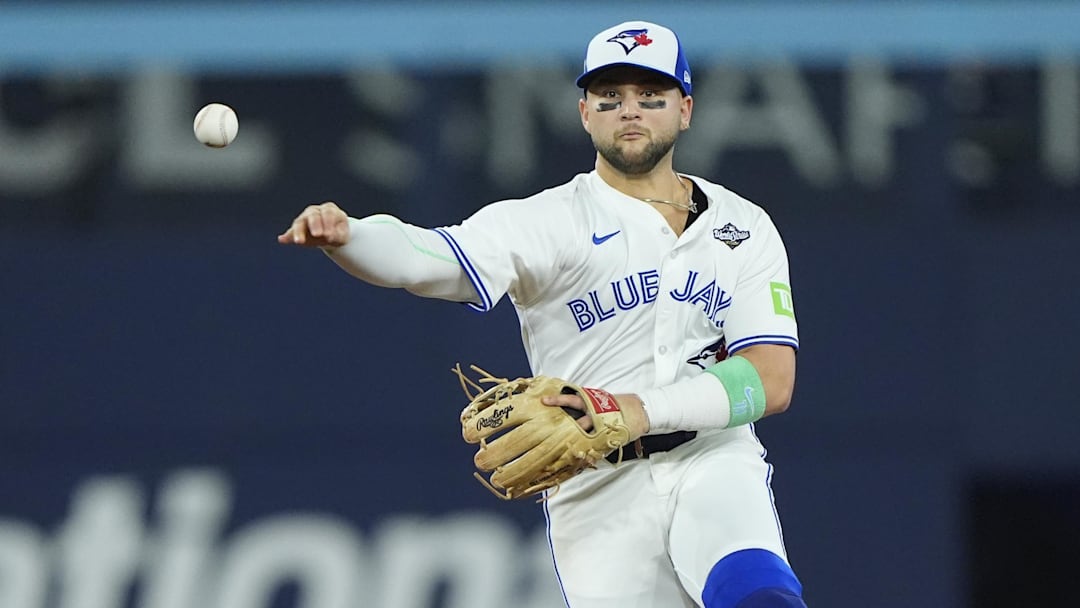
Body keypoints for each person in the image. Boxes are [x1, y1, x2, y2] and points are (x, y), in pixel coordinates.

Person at [279, 20, 806, 608]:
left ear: (685, 109)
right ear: (585, 112)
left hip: (712, 457)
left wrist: (635, 411)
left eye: (650, 97)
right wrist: (349, 235)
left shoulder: (744, 226)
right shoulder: (549, 221)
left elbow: (771, 378)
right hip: (595, 488)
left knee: (761, 597)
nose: (629, 111)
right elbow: (427, 257)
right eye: (610, 99)